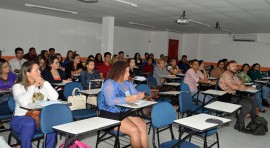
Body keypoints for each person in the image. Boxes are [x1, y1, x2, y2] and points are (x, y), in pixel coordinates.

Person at [99, 60, 148, 148]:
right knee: (134, 130)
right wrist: (129, 98)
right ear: (119, 72)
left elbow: (134, 93)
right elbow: (111, 102)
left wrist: (139, 95)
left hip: (125, 111)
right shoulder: (109, 83)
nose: (129, 74)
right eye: (127, 71)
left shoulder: (127, 82)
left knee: (143, 126)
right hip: (110, 114)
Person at [11, 61, 59, 148]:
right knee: (29, 123)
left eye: (39, 70)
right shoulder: (17, 87)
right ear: (28, 73)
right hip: (21, 118)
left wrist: (45, 83)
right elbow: (23, 102)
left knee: (51, 123)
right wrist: (32, 86)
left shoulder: (42, 85)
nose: (40, 72)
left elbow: (54, 97)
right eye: (36, 70)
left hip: (39, 118)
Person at [219, 60, 256, 133]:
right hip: (226, 96)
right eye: (233, 66)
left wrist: (247, 87)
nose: (235, 67)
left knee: (253, 101)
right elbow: (232, 86)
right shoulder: (225, 75)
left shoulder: (234, 75)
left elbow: (239, 83)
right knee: (247, 105)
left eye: (235, 66)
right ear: (227, 67)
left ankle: (253, 121)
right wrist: (244, 87)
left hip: (235, 94)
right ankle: (239, 124)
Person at [0, 58, 17, 129]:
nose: (8, 68)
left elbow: (18, 85)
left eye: (8, 66)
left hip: (12, 98)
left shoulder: (13, 75)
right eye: (5, 67)